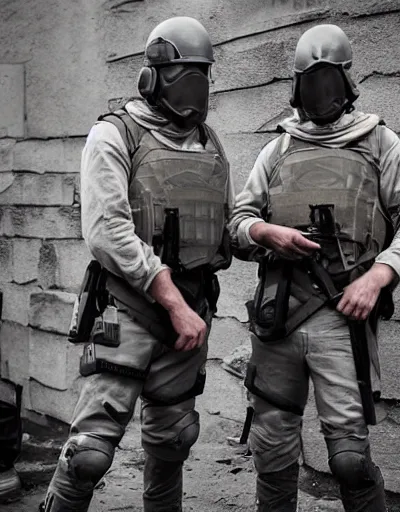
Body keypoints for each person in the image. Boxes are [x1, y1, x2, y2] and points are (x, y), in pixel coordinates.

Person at [228, 24, 400, 512]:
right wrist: (264, 233)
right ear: (296, 87)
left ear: (346, 81)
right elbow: (238, 221)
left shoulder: (379, 142)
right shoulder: (278, 148)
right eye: (311, 82)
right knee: (271, 448)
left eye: (329, 80)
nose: (321, 94)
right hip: (278, 312)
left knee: (349, 460)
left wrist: (379, 276)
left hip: (342, 315)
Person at [40, 16, 233, 512]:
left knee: (173, 441)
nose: (195, 87)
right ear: (151, 78)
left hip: (190, 316)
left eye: (202, 74)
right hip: (128, 310)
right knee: (89, 455)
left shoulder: (210, 142)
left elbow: (226, 224)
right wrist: (168, 298)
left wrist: (265, 234)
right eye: (182, 74)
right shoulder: (114, 135)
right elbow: (107, 231)